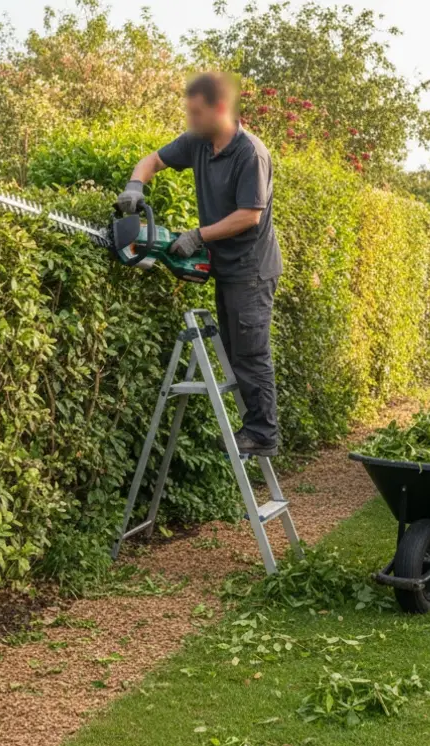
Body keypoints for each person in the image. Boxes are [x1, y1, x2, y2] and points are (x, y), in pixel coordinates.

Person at [118, 72, 283, 457]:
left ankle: (263, 434)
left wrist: (197, 236)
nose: (190, 120)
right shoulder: (198, 143)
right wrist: (134, 186)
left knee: (250, 352)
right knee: (231, 347)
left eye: (196, 113)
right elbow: (154, 159)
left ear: (220, 109)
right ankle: (253, 426)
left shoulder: (250, 153)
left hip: (252, 269)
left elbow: (249, 215)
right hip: (224, 265)